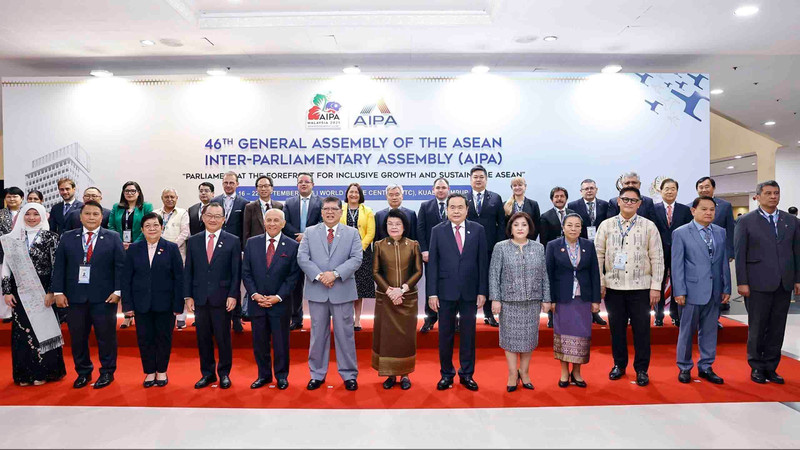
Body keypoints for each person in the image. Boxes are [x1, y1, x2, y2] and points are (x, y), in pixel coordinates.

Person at [52, 201, 125, 389]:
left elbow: (120, 267)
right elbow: (59, 266)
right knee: (77, 338)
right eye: (87, 214)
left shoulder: (113, 237)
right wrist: (58, 292)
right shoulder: (68, 237)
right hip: (75, 298)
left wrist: (118, 291)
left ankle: (107, 372)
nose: (91, 217)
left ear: (102, 217)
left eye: (95, 214)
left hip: (104, 298)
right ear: (80, 216)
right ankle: (83, 372)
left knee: (106, 337)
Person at [595, 186, 664, 387]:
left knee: (642, 330)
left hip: (641, 287)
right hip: (613, 287)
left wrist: (656, 286)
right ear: (618, 200)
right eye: (625, 199)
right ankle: (619, 365)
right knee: (616, 329)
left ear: (639, 203)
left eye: (633, 200)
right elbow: (598, 255)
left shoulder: (649, 226)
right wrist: (600, 282)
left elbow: (657, 258)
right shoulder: (606, 226)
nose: (629, 203)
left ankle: (641, 369)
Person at [734, 180, 800, 384]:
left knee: (777, 327)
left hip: (784, 283)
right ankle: (756, 367)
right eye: (769, 193)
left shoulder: (791, 221)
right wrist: (742, 282)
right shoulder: (746, 221)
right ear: (758, 197)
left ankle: (772, 367)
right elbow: (740, 252)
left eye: (776, 193)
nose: (773, 196)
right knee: (757, 327)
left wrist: (798, 279)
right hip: (756, 284)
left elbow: (797, 252)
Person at [297, 196, 362, 391]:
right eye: (326, 209)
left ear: (341, 212)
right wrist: (319, 276)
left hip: (342, 290)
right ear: (321, 211)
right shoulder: (309, 232)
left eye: (334, 208)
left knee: (345, 335)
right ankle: (317, 374)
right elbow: (302, 257)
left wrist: (334, 274)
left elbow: (356, 258)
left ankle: (349, 374)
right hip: (318, 291)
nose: (330, 212)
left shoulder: (352, 233)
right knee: (318, 336)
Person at [427, 193, 488, 391]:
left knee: (469, 335)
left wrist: (482, 291)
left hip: (470, 292)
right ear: (447, 209)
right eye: (452, 207)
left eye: (460, 207)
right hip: (445, 291)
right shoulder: (438, 231)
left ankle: (467, 374)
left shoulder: (478, 230)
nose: (456, 210)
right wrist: (432, 293)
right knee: (445, 335)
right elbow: (433, 264)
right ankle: (446, 374)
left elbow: (482, 263)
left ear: (467, 209)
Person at [1, 203, 66, 386]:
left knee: (44, 331)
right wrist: (6, 292)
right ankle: (24, 374)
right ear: (21, 216)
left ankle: (45, 372)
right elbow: (6, 267)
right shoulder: (12, 239)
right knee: (23, 332)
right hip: (20, 290)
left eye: (35, 214)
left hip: (43, 290)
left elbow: (57, 266)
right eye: (27, 214)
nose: (31, 218)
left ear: (42, 217)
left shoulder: (51, 237)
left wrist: (52, 291)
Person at [672, 196, 731, 385]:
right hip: (690, 290)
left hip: (715, 290)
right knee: (686, 331)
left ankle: (706, 366)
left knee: (710, 331)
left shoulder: (720, 232)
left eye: (712, 210)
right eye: (704, 209)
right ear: (693, 211)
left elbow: (723, 262)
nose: (708, 213)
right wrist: (679, 290)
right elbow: (677, 264)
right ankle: (684, 367)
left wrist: (726, 287)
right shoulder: (681, 233)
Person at [121, 213, 184, 388]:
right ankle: (149, 371)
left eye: (155, 225)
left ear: (161, 227)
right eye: (147, 226)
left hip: (166, 303)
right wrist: (127, 305)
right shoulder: (134, 249)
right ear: (142, 229)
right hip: (141, 303)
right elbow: (126, 278)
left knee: (164, 338)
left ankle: (161, 370)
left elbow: (179, 278)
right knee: (145, 338)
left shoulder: (171, 248)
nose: (152, 229)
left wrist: (179, 305)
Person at [184, 202, 241, 390]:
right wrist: (188, 296)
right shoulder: (193, 241)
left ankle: (224, 373)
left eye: (217, 216)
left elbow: (236, 272)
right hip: (200, 298)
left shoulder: (232, 240)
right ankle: (207, 374)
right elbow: (189, 270)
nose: (213, 219)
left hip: (223, 298)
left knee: (223, 338)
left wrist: (233, 294)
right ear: (203, 217)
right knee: (203, 338)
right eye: (209, 215)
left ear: (224, 219)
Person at [242, 208, 301, 390]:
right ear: (264, 222)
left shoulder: (292, 245)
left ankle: (282, 376)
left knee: (281, 342)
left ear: (283, 223)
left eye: (276, 220)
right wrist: (255, 295)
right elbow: (246, 272)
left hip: (280, 304)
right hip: (257, 302)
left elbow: (293, 277)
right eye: (269, 220)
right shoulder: (252, 243)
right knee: (259, 342)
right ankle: (264, 375)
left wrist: (277, 297)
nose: (272, 223)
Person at [489, 212, 548, 392]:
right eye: (516, 225)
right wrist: (496, 299)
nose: (520, 228)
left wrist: (546, 298)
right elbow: (493, 275)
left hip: (532, 301)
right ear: (510, 228)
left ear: (529, 228)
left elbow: (544, 275)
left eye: (524, 225)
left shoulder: (538, 247)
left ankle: (525, 372)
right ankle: (512, 374)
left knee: (529, 339)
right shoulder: (501, 247)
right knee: (510, 340)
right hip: (509, 301)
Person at [545, 213, 602, 388]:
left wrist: (595, 300)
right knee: (563, 336)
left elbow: (594, 273)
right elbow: (548, 274)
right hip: (562, 299)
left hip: (582, 299)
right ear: (563, 227)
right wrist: (551, 299)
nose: (573, 229)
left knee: (582, 335)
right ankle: (564, 373)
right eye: (569, 225)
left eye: (577, 225)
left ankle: (577, 372)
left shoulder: (588, 245)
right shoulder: (553, 246)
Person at [372, 209, 423, 390]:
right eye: (390, 224)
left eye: (397, 224)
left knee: (405, 339)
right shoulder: (379, 245)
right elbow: (376, 272)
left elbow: (418, 271)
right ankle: (390, 375)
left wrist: (402, 290)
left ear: (404, 226)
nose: (394, 227)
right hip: (386, 299)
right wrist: (390, 291)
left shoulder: (413, 245)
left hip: (407, 299)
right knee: (387, 338)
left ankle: (405, 375)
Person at [108, 181, 153, 329]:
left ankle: (138, 312)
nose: (130, 193)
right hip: (119, 248)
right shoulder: (116, 207)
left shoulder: (146, 207)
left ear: (138, 193)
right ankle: (127, 315)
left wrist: (133, 244)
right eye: (127, 191)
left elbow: (148, 226)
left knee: (137, 281)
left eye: (133, 191)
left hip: (139, 248)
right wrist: (120, 242)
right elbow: (111, 226)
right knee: (124, 280)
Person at [466, 165, 506, 327]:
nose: (478, 179)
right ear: (470, 179)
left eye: (481, 177)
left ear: (486, 179)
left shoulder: (495, 198)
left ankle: (489, 315)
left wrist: (499, 245)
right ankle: (469, 315)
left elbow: (501, 224)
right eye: (475, 177)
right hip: (467, 248)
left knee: (490, 280)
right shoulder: (463, 198)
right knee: (469, 280)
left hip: (490, 247)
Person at [282, 173, 323, 330]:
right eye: (300, 182)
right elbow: (285, 223)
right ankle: (296, 319)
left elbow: (323, 222)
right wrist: (299, 236)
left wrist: (307, 235)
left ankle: (319, 320)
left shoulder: (320, 202)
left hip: (315, 250)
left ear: (313, 184)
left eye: (307, 182)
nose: (303, 184)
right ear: (297, 185)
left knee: (317, 283)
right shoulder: (289, 202)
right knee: (295, 285)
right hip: (294, 248)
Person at [567, 178, 609, 326]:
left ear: (596, 189)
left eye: (592, 188)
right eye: (586, 188)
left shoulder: (605, 205)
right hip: (581, 248)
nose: (589, 190)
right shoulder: (573, 205)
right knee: (584, 280)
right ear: (581, 191)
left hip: (602, 247)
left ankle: (596, 312)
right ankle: (585, 313)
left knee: (597, 279)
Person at [695, 176, 737, 320]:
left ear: (713, 188)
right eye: (701, 187)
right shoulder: (691, 206)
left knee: (718, 283)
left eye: (707, 186)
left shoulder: (724, 206)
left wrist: (730, 251)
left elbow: (730, 230)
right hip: (697, 255)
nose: (704, 189)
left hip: (718, 253)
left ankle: (716, 317)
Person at [653, 178, 692, 327]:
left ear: (677, 191)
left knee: (677, 284)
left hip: (679, 252)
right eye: (666, 188)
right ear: (660, 191)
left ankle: (676, 315)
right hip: (658, 253)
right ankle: (658, 316)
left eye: (673, 188)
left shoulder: (685, 210)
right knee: (659, 284)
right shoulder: (653, 209)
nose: (670, 191)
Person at [213, 171, 248, 334]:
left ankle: (236, 318)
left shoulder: (245, 203)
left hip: (236, 249)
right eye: (226, 182)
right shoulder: (214, 201)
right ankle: (220, 317)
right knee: (219, 282)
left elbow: (245, 229)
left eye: (231, 183)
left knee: (235, 283)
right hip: (216, 248)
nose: (228, 185)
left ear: (237, 184)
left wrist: (243, 249)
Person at [416, 177, 450, 332]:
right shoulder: (425, 206)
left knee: (451, 285)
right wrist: (424, 250)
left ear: (448, 189)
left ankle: (451, 319)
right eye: (438, 187)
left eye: (443, 187)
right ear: (433, 190)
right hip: (430, 254)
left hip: (451, 255)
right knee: (431, 284)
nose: (441, 190)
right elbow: (420, 229)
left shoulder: (454, 206)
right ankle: (430, 318)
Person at [154, 188, 191, 329]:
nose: (169, 199)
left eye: (172, 197)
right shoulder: (154, 214)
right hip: (156, 254)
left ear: (177, 198)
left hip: (177, 254)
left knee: (179, 285)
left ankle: (181, 317)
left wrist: (170, 247)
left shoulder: (183, 213)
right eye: (166, 196)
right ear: (162, 198)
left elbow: (185, 233)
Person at [341, 183, 376, 331]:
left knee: (359, 288)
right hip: (342, 252)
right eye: (351, 192)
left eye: (356, 192)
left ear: (360, 195)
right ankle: (345, 318)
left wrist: (359, 248)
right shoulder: (339, 209)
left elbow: (371, 233)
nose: (353, 194)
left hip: (363, 253)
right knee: (344, 286)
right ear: (347, 194)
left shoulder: (367, 211)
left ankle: (357, 320)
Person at [539, 187, 575, 328]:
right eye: (556, 196)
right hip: (553, 256)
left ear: (566, 198)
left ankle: (569, 315)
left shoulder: (574, 215)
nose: (559, 199)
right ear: (552, 199)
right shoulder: (545, 216)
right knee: (552, 286)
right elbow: (544, 240)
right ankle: (552, 317)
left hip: (572, 256)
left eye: (562, 196)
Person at [242, 175, 284, 244]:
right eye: (260, 186)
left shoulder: (279, 206)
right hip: (256, 244)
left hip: (275, 244)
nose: (263, 189)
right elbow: (246, 231)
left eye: (266, 186)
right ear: (256, 189)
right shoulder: (250, 207)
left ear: (272, 188)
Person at [503, 177, 541, 241]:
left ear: (525, 186)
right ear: (511, 187)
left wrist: (530, 240)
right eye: (515, 185)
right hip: (510, 242)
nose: (517, 187)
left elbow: (537, 225)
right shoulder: (505, 205)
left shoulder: (533, 204)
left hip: (529, 241)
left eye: (520, 185)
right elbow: (503, 226)